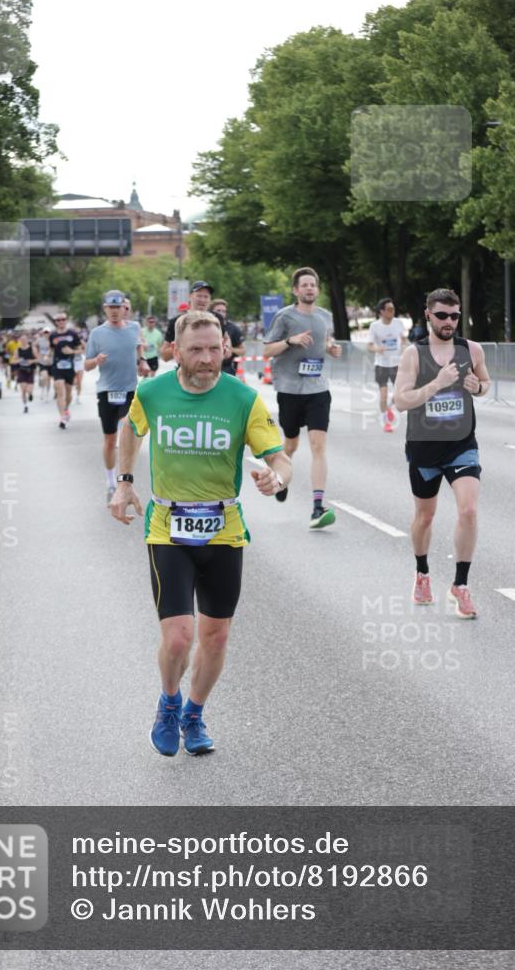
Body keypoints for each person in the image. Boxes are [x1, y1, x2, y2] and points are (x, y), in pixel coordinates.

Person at [110, 311, 291, 757]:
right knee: (177, 637)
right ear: (175, 350)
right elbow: (130, 429)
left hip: (223, 531)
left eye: (215, 348)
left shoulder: (243, 399)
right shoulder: (152, 393)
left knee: (216, 636)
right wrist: (125, 481)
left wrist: (277, 478)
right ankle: (169, 701)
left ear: (226, 348)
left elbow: (279, 456)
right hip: (167, 529)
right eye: (196, 350)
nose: (207, 358)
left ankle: (194, 712)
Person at [393, 288, 491, 619]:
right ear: (428, 316)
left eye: (454, 316)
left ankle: (460, 586)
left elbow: (486, 383)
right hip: (423, 447)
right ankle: (422, 574)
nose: (449, 322)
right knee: (426, 517)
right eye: (442, 316)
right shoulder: (413, 355)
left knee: (469, 510)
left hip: (462, 443)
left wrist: (477, 387)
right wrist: (437, 383)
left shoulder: (471, 349)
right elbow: (401, 401)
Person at [262, 266, 342, 529]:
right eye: (304, 285)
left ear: (317, 290)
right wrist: (290, 341)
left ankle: (317, 507)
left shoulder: (325, 316)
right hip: (289, 390)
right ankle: (280, 477)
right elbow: (267, 351)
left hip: (318, 389)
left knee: (319, 446)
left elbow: (325, 342)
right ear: (296, 290)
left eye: (313, 285)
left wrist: (331, 349)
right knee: (292, 445)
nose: (310, 289)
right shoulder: (285, 317)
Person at [85, 290, 150, 503]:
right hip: (106, 390)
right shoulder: (97, 333)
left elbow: (138, 346)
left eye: (118, 307)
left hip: (130, 388)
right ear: (105, 309)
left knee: (126, 429)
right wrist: (96, 360)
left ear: (124, 308)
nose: (114, 311)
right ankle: (110, 481)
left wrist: (142, 361)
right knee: (110, 439)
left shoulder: (134, 328)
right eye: (110, 308)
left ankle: (125, 481)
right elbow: (86, 365)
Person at [367, 298, 408, 433]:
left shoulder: (398, 323)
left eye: (393, 309)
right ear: (381, 312)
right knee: (383, 394)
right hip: (382, 364)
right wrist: (377, 349)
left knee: (399, 395)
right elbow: (369, 345)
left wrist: (403, 344)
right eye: (389, 309)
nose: (392, 312)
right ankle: (386, 421)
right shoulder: (375, 326)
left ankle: (389, 408)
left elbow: (403, 338)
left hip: (397, 364)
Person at [161, 281, 219, 362]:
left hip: (211, 370)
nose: (202, 300)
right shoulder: (177, 321)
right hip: (186, 372)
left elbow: (226, 349)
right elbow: (164, 355)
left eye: (206, 297)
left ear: (210, 299)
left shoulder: (217, 319)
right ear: (190, 296)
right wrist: (186, 346)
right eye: (199, 296)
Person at [50, 312, 84, 429]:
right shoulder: (52, 335)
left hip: (70, 366)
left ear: (66, 320)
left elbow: (81, 350)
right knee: (59, 389)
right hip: (57, 366)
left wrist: (72, 352)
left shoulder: (72, 334)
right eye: (58, 320)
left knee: (68, 395)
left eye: (63, 319)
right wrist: (45, 358)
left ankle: (66, 409)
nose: (61, 322)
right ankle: (63, 418)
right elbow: (52, 350)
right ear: (55, 322)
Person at [210, 299, 246, 376]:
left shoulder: (233, 328)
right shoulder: (204, 326)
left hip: (227, 370)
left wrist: (229, 348)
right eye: (218, 310)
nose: (221, 313)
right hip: (208, 367)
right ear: (212, 311)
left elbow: (242, 351)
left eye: (224, 311)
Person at [16, 332, 36, 413]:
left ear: (27, 340)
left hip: (30, 371)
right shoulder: (18, 350)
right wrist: (18, 360)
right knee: (23, 390)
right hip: (21, 371)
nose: (23, 341)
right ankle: (25, 406)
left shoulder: (32, 349)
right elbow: (13, 360)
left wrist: (32, 361)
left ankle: (30, 394)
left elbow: (38, 359)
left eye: (25, 339)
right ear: (20, 340)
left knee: (28, 390)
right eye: (22, 339)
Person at [34, 328, 53, 400]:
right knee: (44, 377)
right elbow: (34, 346)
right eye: (45, 332)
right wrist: (37, 355)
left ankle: (47, 393)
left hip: (51, 362)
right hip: (42, 362)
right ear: (43, 333)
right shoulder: (39, 340)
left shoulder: (53, 340)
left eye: (48, 332)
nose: (46, 334)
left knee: (49, 379)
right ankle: (42, 391)